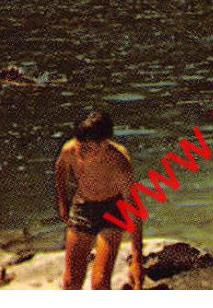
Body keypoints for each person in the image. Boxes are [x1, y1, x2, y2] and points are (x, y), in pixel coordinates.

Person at [54, 109, 144, 290]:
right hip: (83, 208)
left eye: (88, 148)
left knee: (100, 282)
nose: (81, 151)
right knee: (70, 283)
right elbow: (60, 171)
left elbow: (134, 210)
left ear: (104, 143)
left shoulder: (119, 163)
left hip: (112, 211)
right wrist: (63, 203)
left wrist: (137, 259)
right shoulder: (70, 150)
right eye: (80, 144)